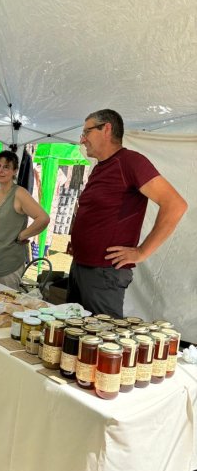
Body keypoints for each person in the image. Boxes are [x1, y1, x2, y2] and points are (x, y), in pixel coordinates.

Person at [67, 108, 187, 318]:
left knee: (100, 342)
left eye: (86, 132)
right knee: (73, 338)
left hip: (103, 273)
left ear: (106, 129)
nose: (82, 140)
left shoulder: (131, 162)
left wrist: (142, 252)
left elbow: (175, 204)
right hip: (81, 267)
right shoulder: (99, 168)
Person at [0, 150, 50, 290]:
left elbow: (43, 219)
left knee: (4, 304)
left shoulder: (19, 193)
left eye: (6, 167)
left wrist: (23, 235)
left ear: (15, 171)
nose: (0, 170)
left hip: (9, 263)